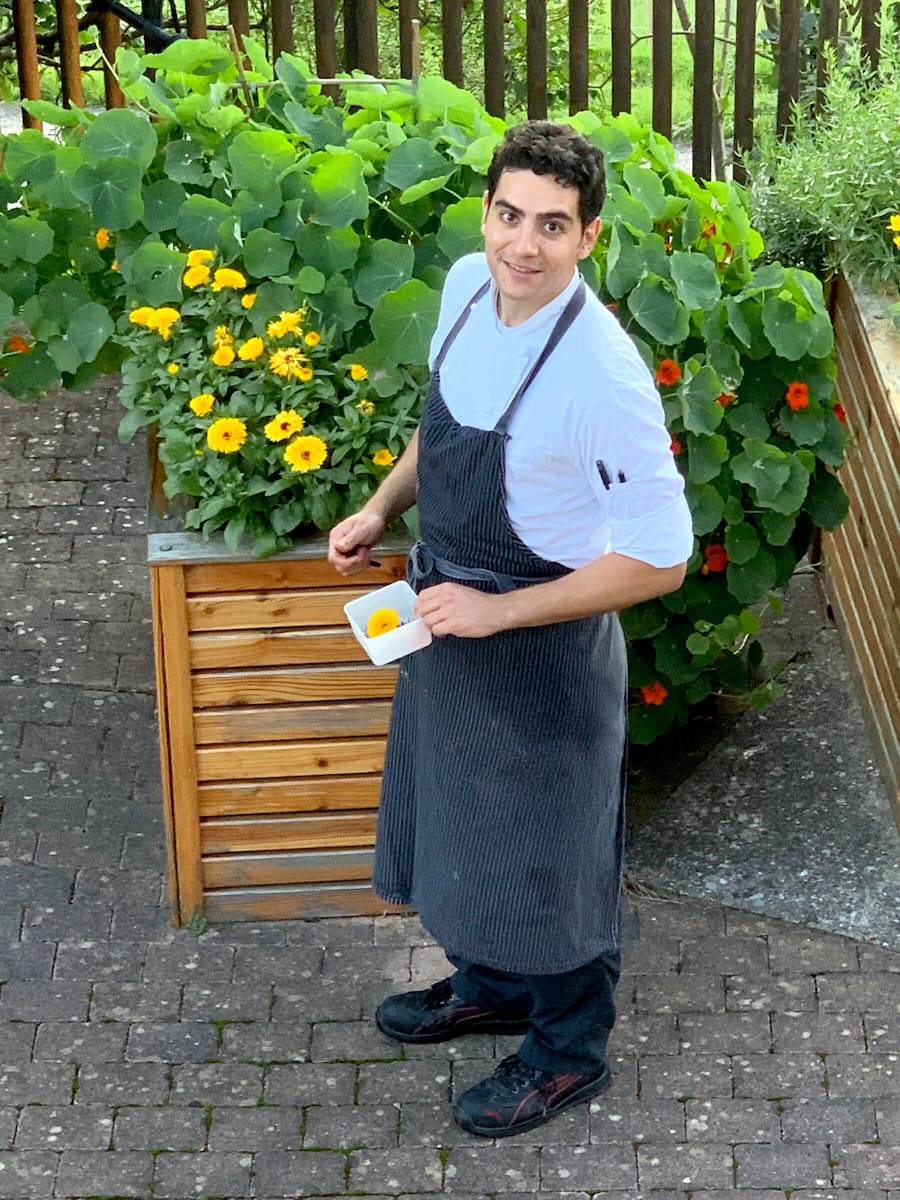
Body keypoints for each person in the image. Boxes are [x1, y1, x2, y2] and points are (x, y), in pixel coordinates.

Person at [328, 121, 693, 1138]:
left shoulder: (602, 376)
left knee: (554, 861)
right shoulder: (461, 289)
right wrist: (379, 508)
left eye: (552, 226)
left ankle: (569, 1052)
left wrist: (498, 612)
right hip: (446, 619)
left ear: (589, 237)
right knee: (460, 821)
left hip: (541, 659)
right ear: (485, 212)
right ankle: (493, 985)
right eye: (507, 215)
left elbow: (661, 557)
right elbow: (438, 422)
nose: (522, 246)